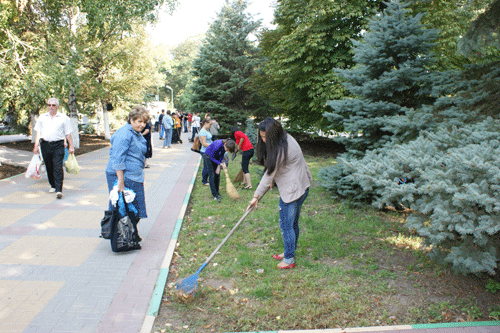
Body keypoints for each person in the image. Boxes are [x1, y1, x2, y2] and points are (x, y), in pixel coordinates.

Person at [246, 118, 312, 270]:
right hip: (303, 186)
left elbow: (269, 174)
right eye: (261, 136)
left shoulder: (281, 149)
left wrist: (255, 196)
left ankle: (289, 259)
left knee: (286, 225)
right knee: (292, 223)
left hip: (293, 191)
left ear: (273, 136)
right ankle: (290, 251)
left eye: (265, 137)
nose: (262, 140)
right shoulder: (286, 138)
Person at [105, 106, 149, 245]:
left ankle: (130, 234)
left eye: (144, 122)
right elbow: (118, 159)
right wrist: (120, 182)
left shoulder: (136, 133)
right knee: (123, 208)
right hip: (123, 176)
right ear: (131, 119)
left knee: (134, 208)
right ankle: (120, 237)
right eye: (138, 121)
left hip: (134, 176)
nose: (141, 124)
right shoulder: (124, 134)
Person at [33, 97, 75, 199]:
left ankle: (59, 190)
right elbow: (38, 133)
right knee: (49, 166)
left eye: (53, 105)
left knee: (57, 166)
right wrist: (36, 146)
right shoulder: (42, 118)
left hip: (58, 145)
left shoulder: (63, 118)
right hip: (45, 145)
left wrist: (71, 146)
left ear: (57, 106)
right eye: (49, 105)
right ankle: (52, 184)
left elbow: (68, 133)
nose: (51, 107)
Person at [204, 138, 237, 202]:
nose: (227, 151)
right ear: (225, 145)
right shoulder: (217, 145)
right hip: (208, 157)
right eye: (227, 149)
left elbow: (221, 155)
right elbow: (211, 157)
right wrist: (220, 164)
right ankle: (214, 195)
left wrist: (218, 166)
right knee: (212, 175)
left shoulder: (225, 145)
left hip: (215, 157)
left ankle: (217, 193)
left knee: (217, 175)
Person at [198, 118, 213, 185]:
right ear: (205, 123)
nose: (211, 126)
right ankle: (204, 181)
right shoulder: (203, 131)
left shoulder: (206, 130)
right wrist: (213, 145)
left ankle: (206, 179)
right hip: (205, 151)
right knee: (206, 166)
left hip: (208, 150)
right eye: (210, 124)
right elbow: (203, 143)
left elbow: (208, 140)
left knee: (208, 165)